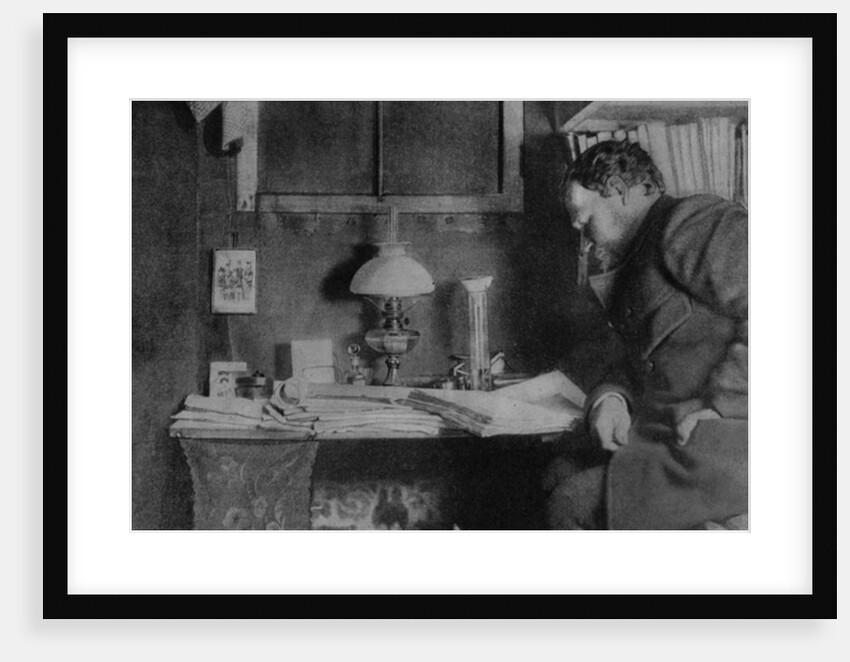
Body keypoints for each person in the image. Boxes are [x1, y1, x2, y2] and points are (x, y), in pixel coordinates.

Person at [546, 140, 748, 530]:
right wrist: (610, 399)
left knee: (570, 503)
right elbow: (640, 359)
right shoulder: (634, 263)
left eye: (586, 222)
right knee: (556, 471)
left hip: (728, 439)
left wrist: (728, 405)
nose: (584, 241)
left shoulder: (690, 221)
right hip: (675, 438)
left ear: (619, 190)